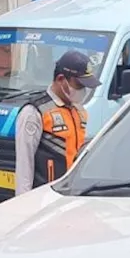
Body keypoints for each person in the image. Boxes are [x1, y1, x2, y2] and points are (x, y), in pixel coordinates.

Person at [13, 49, 99, 197]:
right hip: (44, 197)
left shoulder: (79, 110)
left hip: (72, 195)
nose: (82, 91)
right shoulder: (34, 112)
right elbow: (24, 166)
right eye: (79, 85)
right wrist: (23, 204)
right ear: (61, 79)